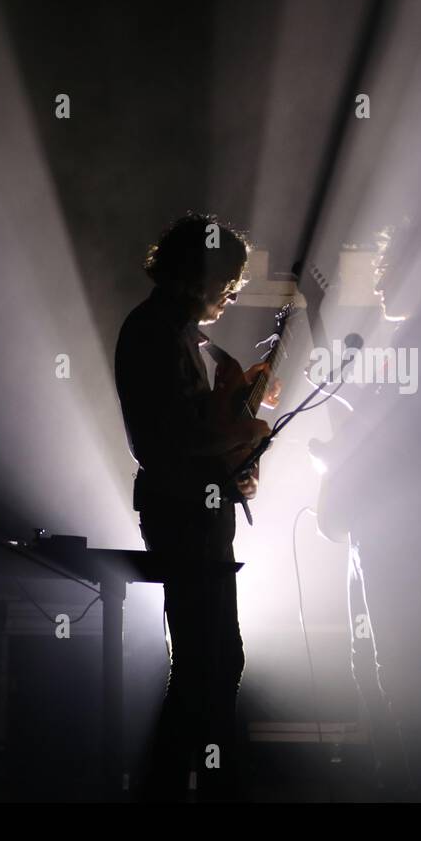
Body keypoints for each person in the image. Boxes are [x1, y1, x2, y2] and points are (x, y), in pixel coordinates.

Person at [114, 212, 276, 801]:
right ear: (200, 273)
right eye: (228, 279)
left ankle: (184, 784)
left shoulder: (176, 331)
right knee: (208, 661)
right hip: (182, 513)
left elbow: (192, 433)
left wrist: (235, 463)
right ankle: (185, 787)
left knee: (212, 660)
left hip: (197, 508)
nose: (231, 293)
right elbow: (165, 441)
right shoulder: (155, 331)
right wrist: (245, 432)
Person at [326, 224, 421, 797]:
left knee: (392, 662)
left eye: (391, 273)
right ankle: (399, 779)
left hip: (392, 519)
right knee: (376, 660)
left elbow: (400, 433)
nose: (381, 285)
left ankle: (416, 783)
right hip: (386, 517)